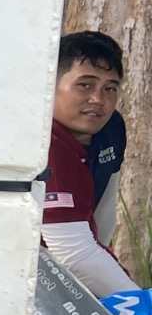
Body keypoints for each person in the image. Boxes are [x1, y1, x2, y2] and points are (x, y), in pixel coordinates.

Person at [43, 30, 135, 297]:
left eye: (110, 88)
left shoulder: (112, 127)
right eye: (85, 85)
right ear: (51, 84)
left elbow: (103, 208)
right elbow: (71, 252)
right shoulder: (43, 142)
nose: (98, 99)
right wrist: (139, 303)